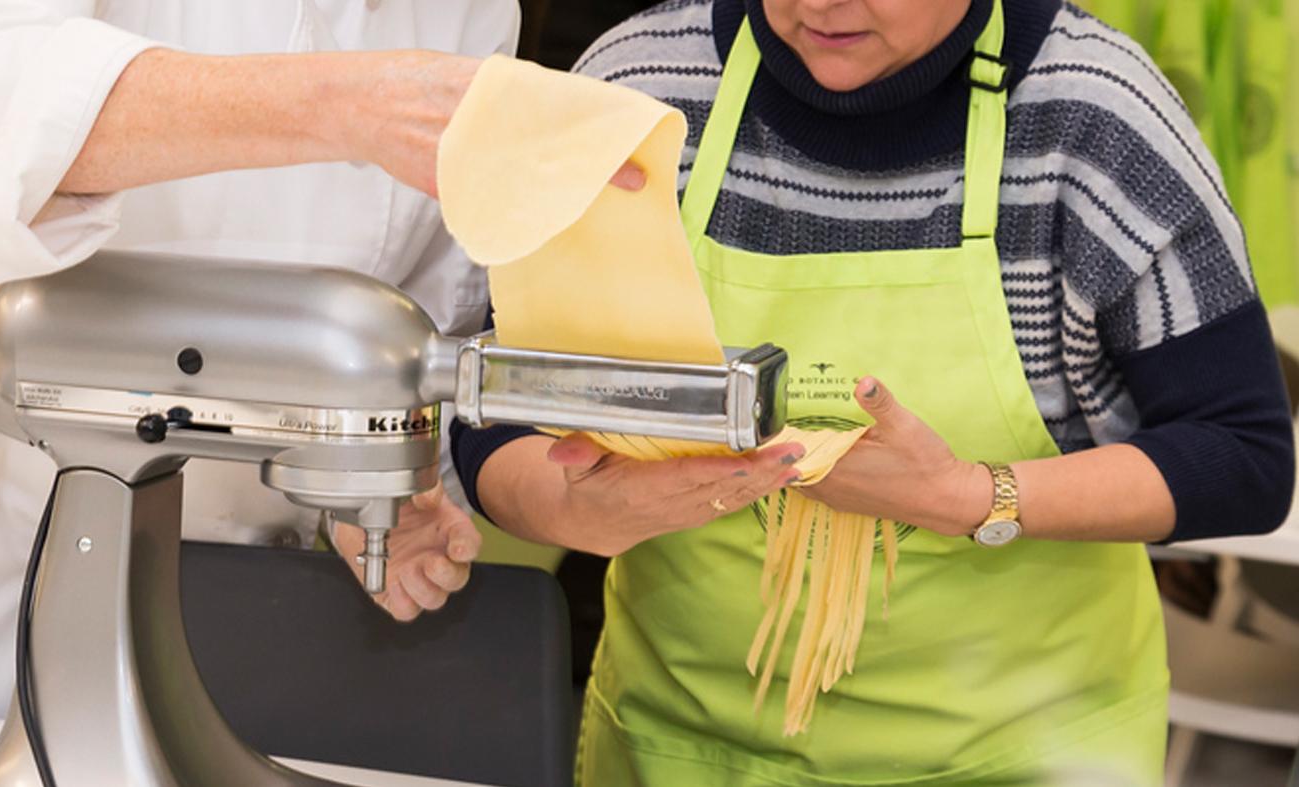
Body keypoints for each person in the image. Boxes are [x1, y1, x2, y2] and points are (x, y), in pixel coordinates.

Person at [450, 0, 1296, 783]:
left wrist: (971, 493)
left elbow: (1241, 456)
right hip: (678, 744)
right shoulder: (635, 94)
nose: (823, 4)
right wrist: (561, 508)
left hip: (1022, 753)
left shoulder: (1095, 118)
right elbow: (497, 403)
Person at [0, 0, 530, 719]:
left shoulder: (473, 15)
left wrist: (359, 496)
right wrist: (350, 104)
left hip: (239, 628)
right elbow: (5, 111)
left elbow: (404, 345)